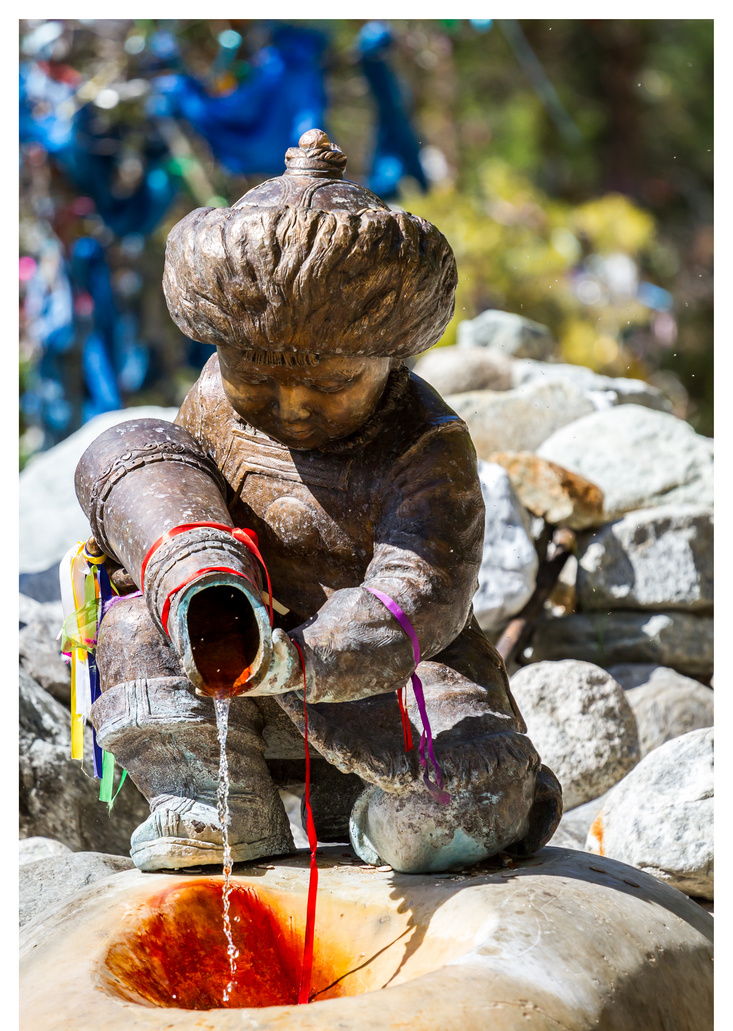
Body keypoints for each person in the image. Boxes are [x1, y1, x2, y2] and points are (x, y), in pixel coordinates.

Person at [90, 130, 562, 873]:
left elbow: (422, 595)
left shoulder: (424, 445)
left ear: (391, 357)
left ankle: (402, 823)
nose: (293, 405)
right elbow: (181, 498)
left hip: (396, 678)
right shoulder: (214, 400)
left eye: (333, 383)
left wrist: (302, 658)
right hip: (233, 659)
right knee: (129, 616)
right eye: (260, 379)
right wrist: (169, 567)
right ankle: (216, 807)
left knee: (467, 788)